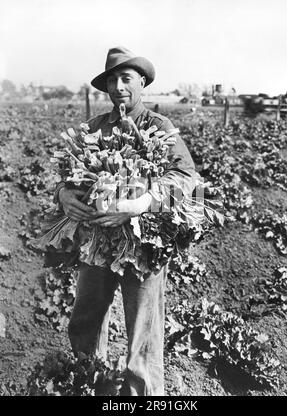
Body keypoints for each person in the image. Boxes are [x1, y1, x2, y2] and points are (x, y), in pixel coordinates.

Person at [54, 46, 197, 396]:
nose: (118, 86)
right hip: (96, 244)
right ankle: (94, 387)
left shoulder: (159, 128)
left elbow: (186, 178)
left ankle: (141, 397)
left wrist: (140, 204)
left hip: (143, 245)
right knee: (85, 322)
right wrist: (63, 194)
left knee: (143, 336)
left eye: (126, 78)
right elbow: (65, 174)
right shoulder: (94, 128)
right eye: (112, 80)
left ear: (142, 82)